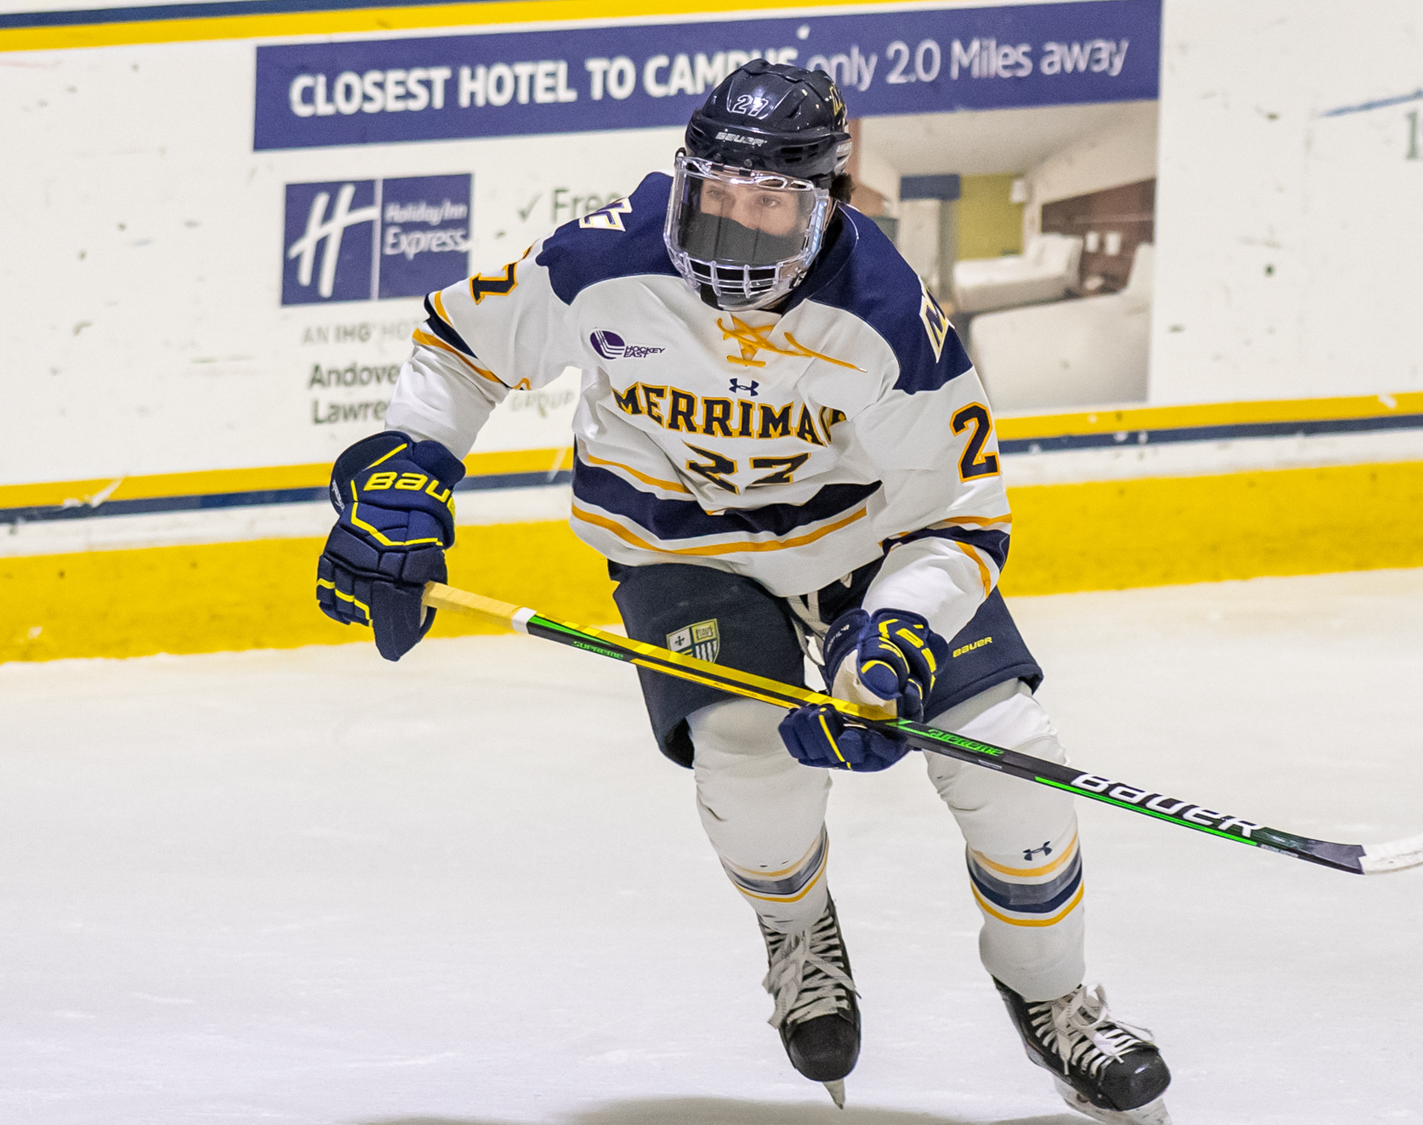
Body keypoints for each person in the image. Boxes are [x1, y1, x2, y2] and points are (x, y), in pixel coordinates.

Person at [314, 60, 1174, 1125]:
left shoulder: (890, 316)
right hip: (681, 553)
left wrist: (897, 636)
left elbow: (958, 515)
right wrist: (406, 469)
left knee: (1015, 767)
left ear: (826, 203)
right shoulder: (600, 257)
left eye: (769, 203)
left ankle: (1053, 998)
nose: (733, 230)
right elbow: (457, 346)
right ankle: (797, 930)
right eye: (714, 196)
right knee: (746, 763)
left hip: (865, 550)